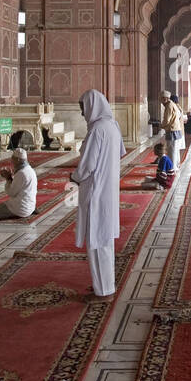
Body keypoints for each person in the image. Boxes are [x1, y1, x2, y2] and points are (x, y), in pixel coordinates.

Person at [71, 89, 126, 300]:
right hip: (108, 191)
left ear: (92, 106)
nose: (82, 113)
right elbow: (120, 152)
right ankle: (105, 284)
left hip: (96, 192)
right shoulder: (112, 126)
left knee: (96, 241)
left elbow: (87, 165)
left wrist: (75, 177)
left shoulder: (97, 130)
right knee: (104, 241)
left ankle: (103, 290)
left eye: (83, 108)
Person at [0, 147, 38, 219]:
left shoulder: (21, 173)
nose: (11, 161)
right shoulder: (30, 170)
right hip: (30, 206)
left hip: (20, 209)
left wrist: (8, 178)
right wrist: (10, 178)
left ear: (18, 160)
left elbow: (11, 193)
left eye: (13, 159)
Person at [160, 91, 183, 170]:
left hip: (172, 131)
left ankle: (172, 169)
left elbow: (167, 120)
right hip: (176, 130)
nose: (161, 101)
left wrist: (161, 126)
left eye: (161, 99)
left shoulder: (169, 106)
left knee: (171, 151)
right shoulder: (173, 104)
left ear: (165, 98)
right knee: (175, 150)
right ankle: (175, 166)